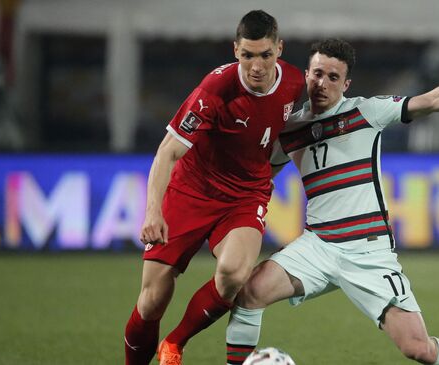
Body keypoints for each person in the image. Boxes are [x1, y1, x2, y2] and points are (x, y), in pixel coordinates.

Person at [225, 39, 439, 365]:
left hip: (367, 251)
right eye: (318, 74)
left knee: (417, 348)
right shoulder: (290, 128)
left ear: (346, 84)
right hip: (317, 245)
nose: (323, 83)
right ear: (307, 74)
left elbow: (434, 100)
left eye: (333, 77)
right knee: (249, 294)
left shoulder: (367, 111)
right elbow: (256, 177)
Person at [123, 10, 304, 365]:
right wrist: (153, 211)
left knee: (234, 274)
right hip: (192, 189)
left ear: (279, 49)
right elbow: (168, 151)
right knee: (152, 300)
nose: (256, 65)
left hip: (245, 194)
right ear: (235, 50)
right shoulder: (215, 89)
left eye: (265, 54)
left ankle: (174, 343)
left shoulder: (295, 84)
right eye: (247, 54)